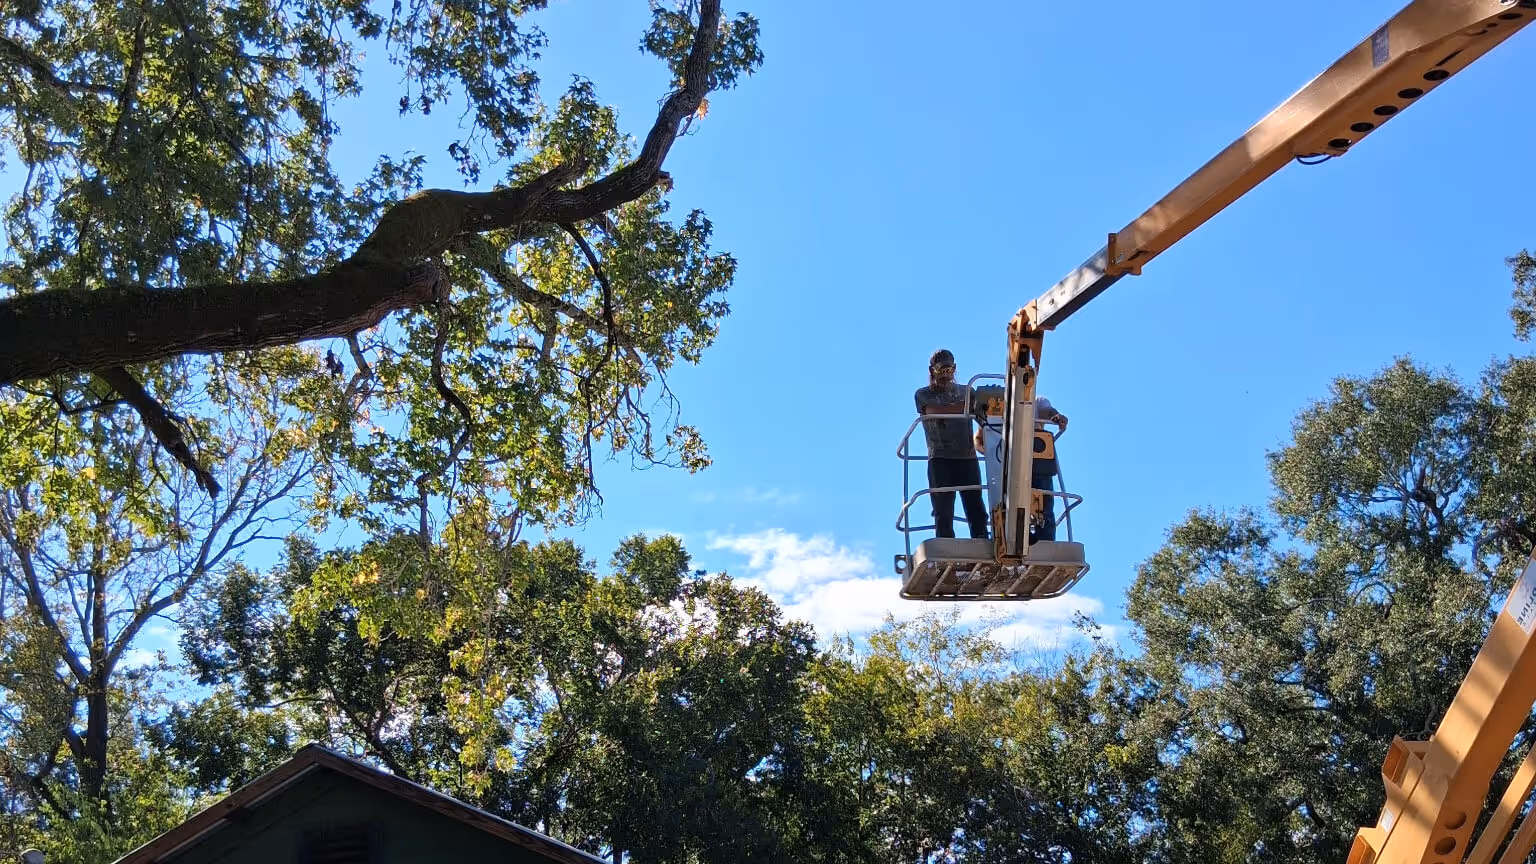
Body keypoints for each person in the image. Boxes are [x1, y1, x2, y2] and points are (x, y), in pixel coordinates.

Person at [914, 349, 989, 540]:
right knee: (943, 511)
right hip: (940, 458)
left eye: (949, 369)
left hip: (967, 457)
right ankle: (945, 548)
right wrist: (968, 406)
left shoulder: (967, 391)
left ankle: (981, 541)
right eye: (942, 369)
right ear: (932, 370)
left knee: (976, 508)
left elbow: (986, 420)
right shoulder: (923, 395)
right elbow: (933, 411)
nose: (947, 374)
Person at [1031, 396, 1068, 542]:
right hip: (1008, 456)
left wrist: (1056, 416)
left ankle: (1046, 539)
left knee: (1044, 502)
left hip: (1038, 454)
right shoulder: (1000, 400)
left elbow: (1046, 410)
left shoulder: (1037, 400)